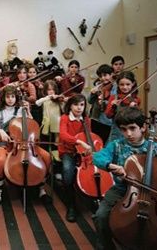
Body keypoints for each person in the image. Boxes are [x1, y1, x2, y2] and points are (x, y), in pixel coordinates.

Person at [92, 107, 157, 250]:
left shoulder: (155, 148)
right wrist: (111, 166)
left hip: (152, 194)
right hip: (121, 190)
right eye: (124, 129)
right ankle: (105, 245)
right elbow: (98, 157)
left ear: (143, 127)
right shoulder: (117, 145)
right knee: (101, 216)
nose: (128, 134)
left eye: (132, 128)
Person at [0, 86, 52, 207]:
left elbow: (32, 126)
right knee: (0, 160)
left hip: (26, 143)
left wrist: (27, 112)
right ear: (4, 98)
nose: (10, 99)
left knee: (47, 157)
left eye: (13, 97)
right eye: (8, 97)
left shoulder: (20, 110)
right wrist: (0, 132)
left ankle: (41, 189)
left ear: (16, 97)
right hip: (5, 142)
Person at [58, 94, 93, 222]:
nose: (79, 108)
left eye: (82, 105)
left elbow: (89, 136)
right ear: (70, 106)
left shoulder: (86, 120)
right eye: (76, 104)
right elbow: (63, 135)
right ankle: (71, 205)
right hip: (68, 151)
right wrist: (78, 142)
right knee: (68, 173)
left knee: (93, 171)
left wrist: (87, 146)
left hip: (83, 152)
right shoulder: (65, 118)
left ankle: (92, 196)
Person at [104, 71, 140, 143]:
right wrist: (113, 106)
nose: (125, 87)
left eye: (128, 84)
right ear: (118, 85)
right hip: (116, 132)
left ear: (133, 84)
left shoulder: (136, 99)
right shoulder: (114, 98)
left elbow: (138, 119)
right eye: (121, 84)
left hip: (131, 133)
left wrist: (133, 108)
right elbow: (108, 115)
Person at [89, 64, 115, 144]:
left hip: (106, 121)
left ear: (111, 75)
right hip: (95, 118)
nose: (103, 78)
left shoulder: (114, 88)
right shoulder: (99, 86)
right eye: (100, 76)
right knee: (94, 142)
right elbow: (90, 101)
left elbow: (113, 102)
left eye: (105, 75)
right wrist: (92, 94)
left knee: (103, 143)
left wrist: (104, 102)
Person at [35, 80, 63, 152]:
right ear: (45, 90)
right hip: (46, 122)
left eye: (53, 90)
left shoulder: (58, 99)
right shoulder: (45, 99)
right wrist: (48, 97)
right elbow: (37, 103)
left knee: (56, 143)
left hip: (56, 123)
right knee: (45, 142)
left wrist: (61, 100)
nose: (51, 92)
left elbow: (63, 109)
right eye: (49, 90)